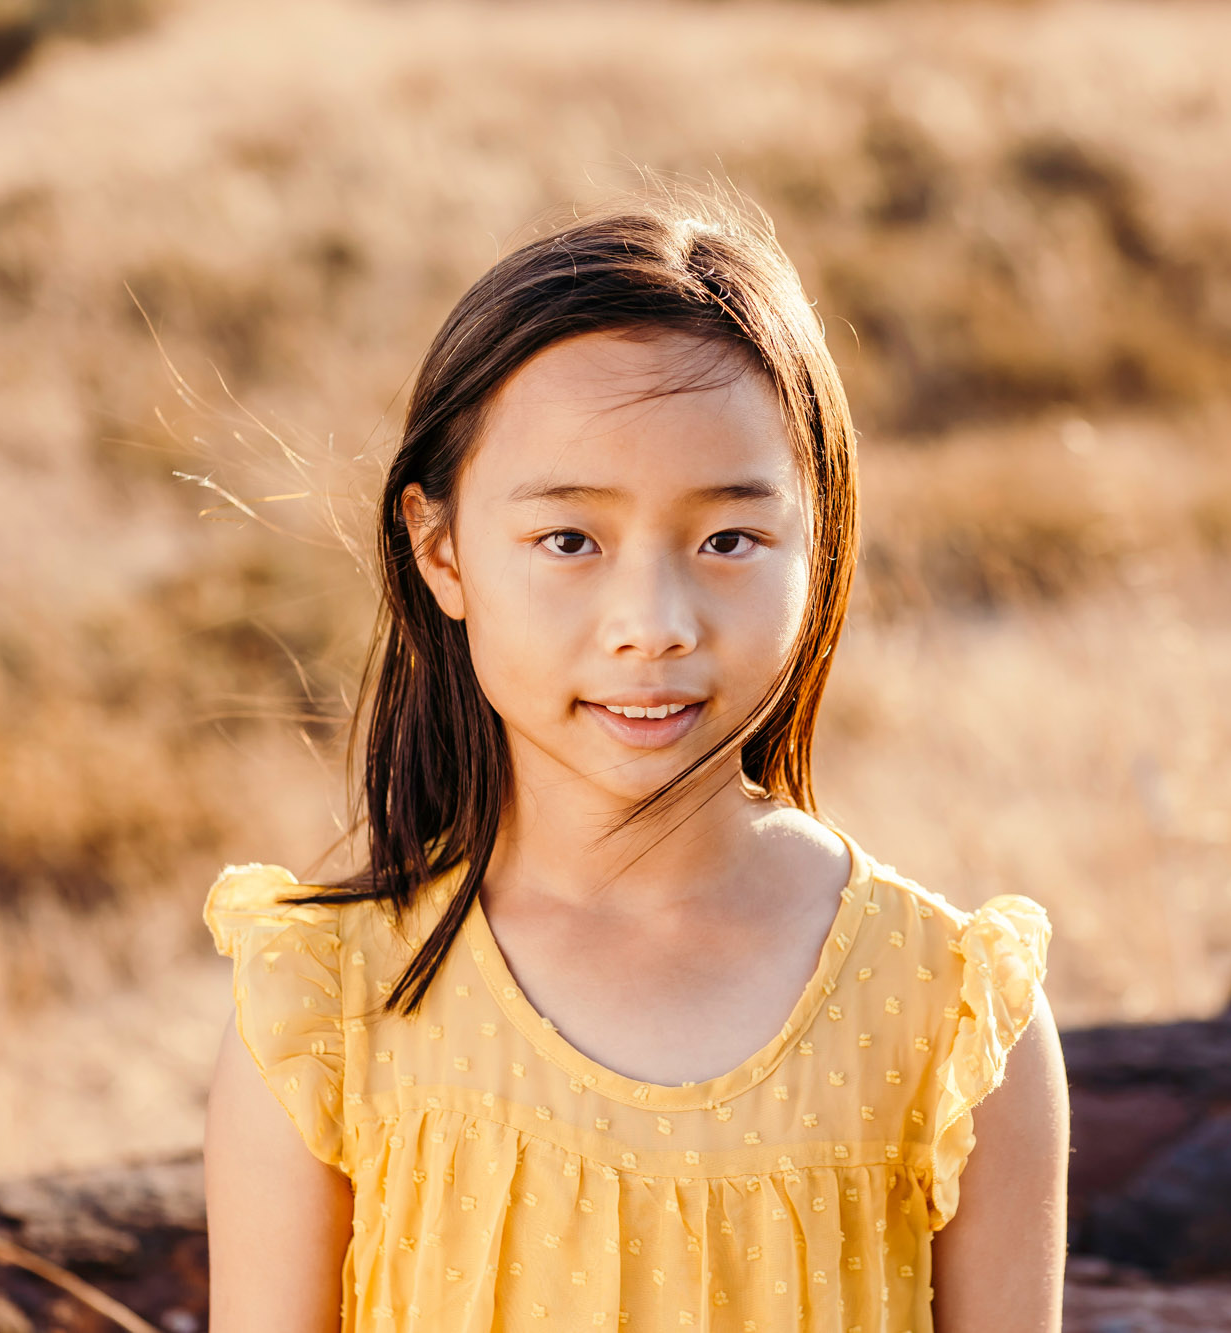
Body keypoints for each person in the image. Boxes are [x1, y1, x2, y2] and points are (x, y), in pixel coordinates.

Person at [201, 184, 1068, 1333]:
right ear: (440, 548)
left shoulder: (952, 1021)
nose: (651, 621)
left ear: (818, 547)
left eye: (727, 539)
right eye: (568, 539)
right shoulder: (324, 1013)